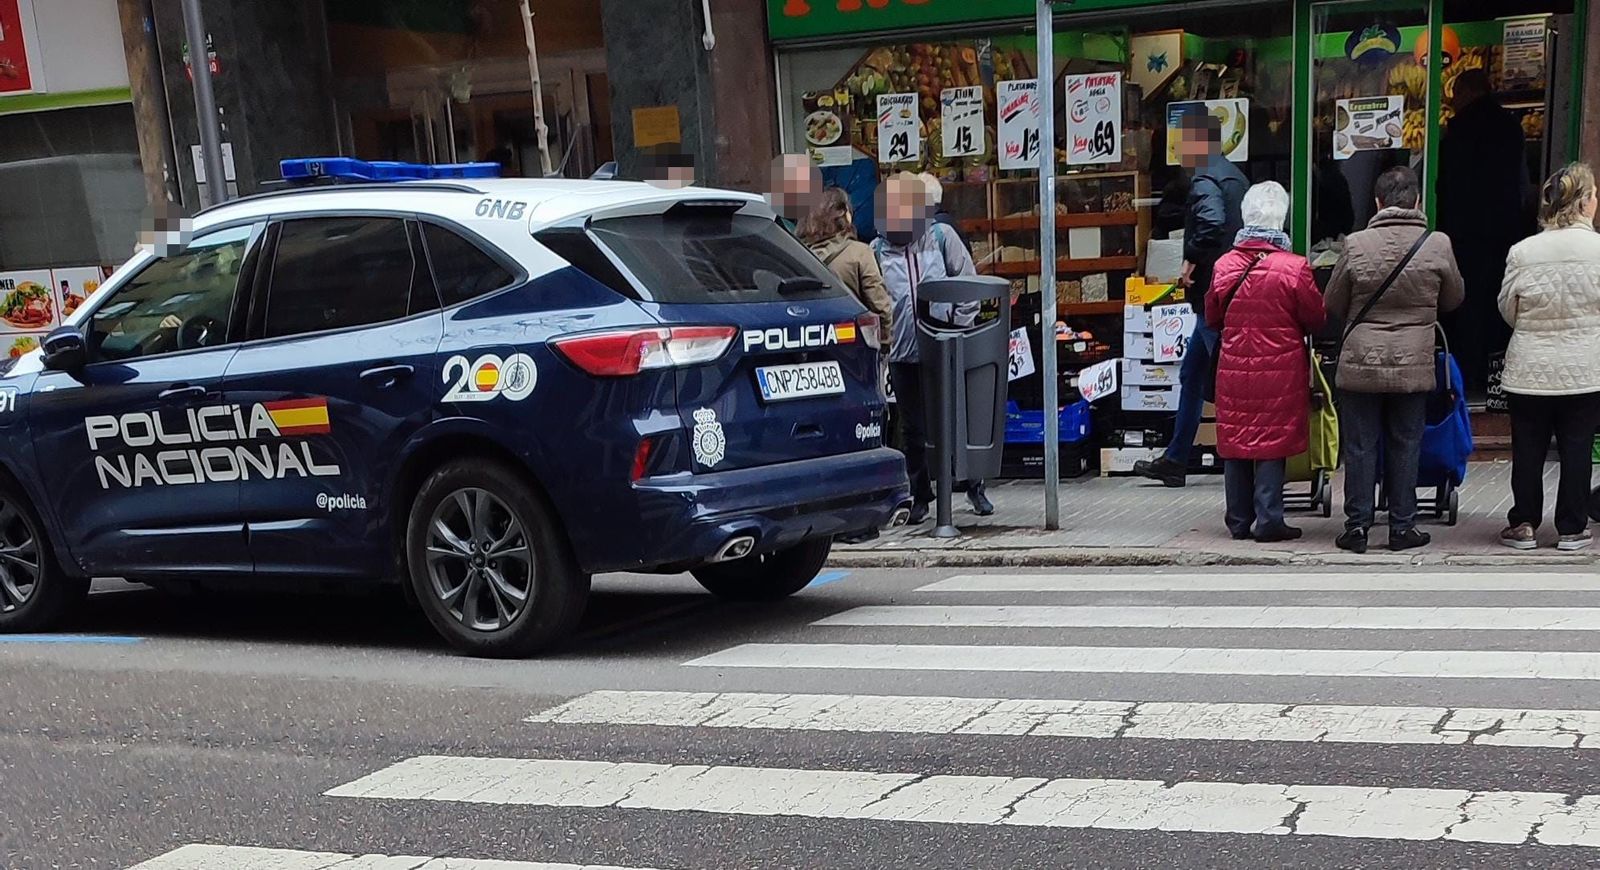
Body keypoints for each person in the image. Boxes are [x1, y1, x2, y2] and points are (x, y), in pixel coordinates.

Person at [1323, 166, 1465, 554]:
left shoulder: (1355, 244)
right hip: (1411, 362)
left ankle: (1357, 527)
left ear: (1377, 202)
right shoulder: (1437, 244)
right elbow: (1454, 299)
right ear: (1417, 201)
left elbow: (1332, 302)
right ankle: (1403, 527)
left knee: (1360, 446)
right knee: (1406, 443)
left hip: (1360, 362)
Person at [1206, 182, 1326, 542]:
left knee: (1237, 437)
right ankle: (1270, 517)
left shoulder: (1225, 264)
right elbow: (1316, 316)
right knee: (1271, 439)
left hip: (1234, 367)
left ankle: (1238, 519)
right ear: (1281, 220)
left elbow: (1212, 316)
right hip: (1280, 369)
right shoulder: (1294, 267)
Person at [1135, 111, 1248, 487]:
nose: (1179, 149)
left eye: (1183, 141)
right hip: (1229, 288)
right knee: (1193, 373)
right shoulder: (1234, 175)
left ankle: (1245, 455)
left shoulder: (1205, 179)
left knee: (1226, 378)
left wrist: (1191, 259)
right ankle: (1176, 459)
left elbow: (1212, 224)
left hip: (1212, 292)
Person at [873, 172, 990, 521]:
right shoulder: (876, 250)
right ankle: (921, 495)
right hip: (903, 352)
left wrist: (958, 328)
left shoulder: (941, 238)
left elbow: (968, 283)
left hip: (944, 345)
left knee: (956, 420)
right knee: (913, 427)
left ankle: (973, 487)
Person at [1497, 163, 1600, 551]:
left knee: (1528, 448)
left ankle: (1524, 522)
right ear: (1586, 202)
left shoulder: (1523, 251)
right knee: (1577, 446)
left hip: (1530, 365)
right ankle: (1572, 527)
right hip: (1585, 365)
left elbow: (1508, 308)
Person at [1437, 67, 1532, 394]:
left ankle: (1467, 376)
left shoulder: (1458, 131)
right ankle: (1493, 379)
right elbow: (1522, 186)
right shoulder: (1510, 127)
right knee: (1496, 302)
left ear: (1465, 93)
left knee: (1466, 305)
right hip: (1503, 230)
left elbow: (1445, 186)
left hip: (1464, 231)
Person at [797, 186, 894, 333]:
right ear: (844, 216)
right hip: (853, 340)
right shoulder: (860, 253)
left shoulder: (796, 254)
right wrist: (884, 343)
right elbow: (879, 306)